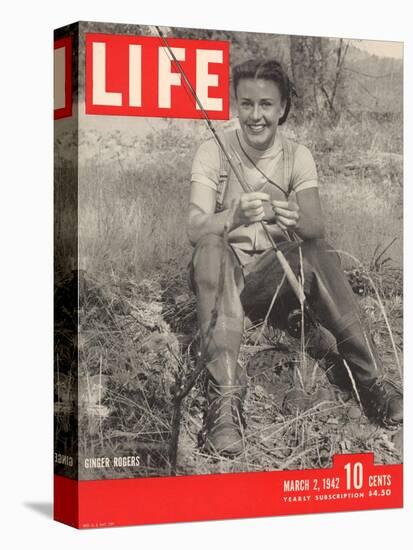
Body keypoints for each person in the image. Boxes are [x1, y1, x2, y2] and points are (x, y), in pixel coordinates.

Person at [187, 58, 402, 457]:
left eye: (266, 105)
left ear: (283, 107)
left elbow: (316, 228)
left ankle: (372, 383)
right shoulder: (210, 151)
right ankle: (224, 407)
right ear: (236, 105)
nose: (256, 115)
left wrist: (291, 215)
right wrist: (231, 216)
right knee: (212, 247)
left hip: (272, 282)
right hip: (223, 275)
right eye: (246, 104)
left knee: (318, 252)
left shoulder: (297, 156)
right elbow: (194, 229)